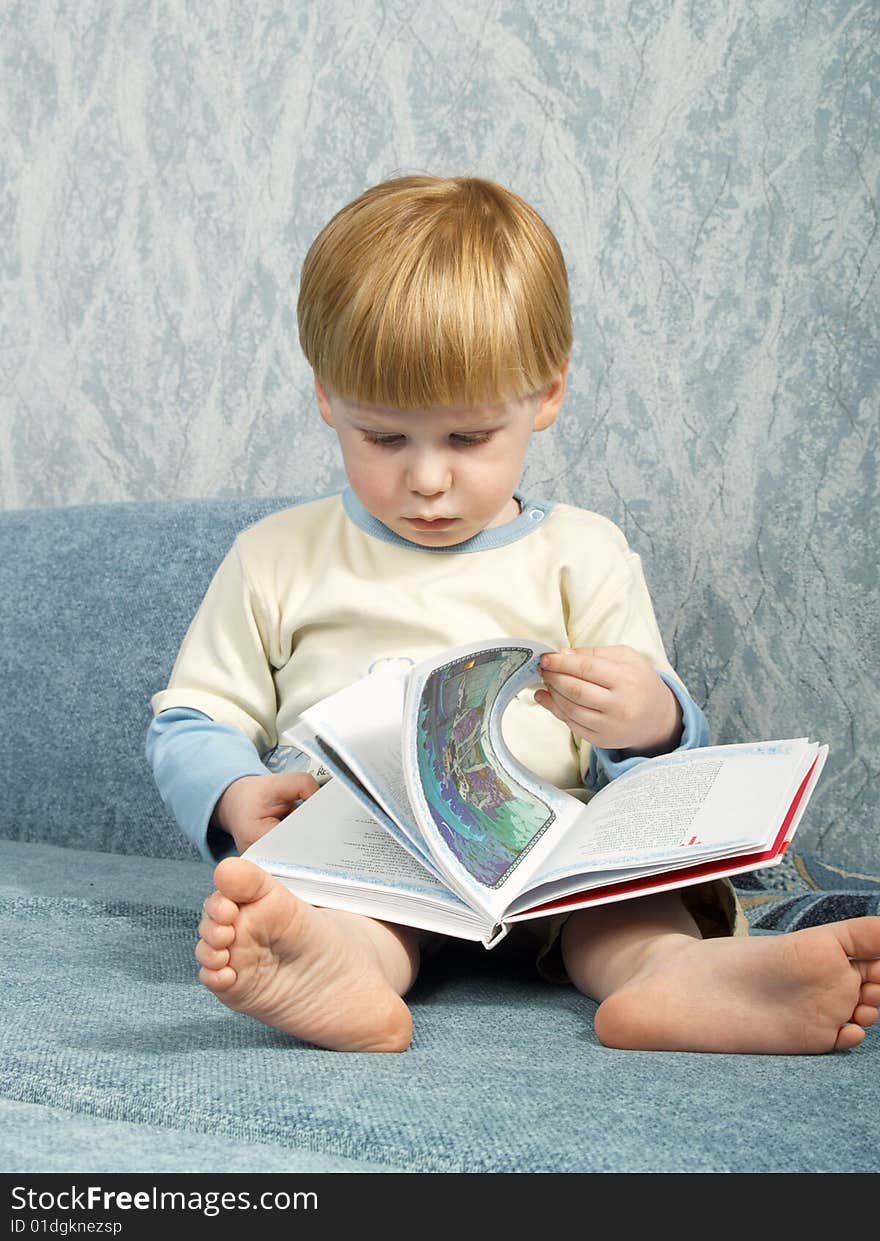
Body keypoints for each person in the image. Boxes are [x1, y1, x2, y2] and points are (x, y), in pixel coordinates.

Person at [146, 173, 880, 1056]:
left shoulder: (584, 551)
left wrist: (649, 717)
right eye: (384, 437)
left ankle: (669, 977)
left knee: (633, 908)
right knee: (331, 907)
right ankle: (334, 968)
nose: (425, 478)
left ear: (545, 395)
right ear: (326, 397)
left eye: (467, 439)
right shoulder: (275, 555)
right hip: (373, 858)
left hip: (555, 868)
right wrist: (234, 792)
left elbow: (654, 740)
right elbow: (193, 713)